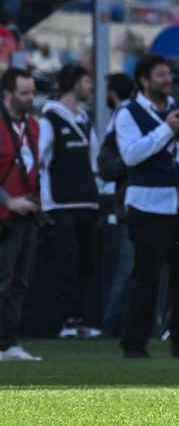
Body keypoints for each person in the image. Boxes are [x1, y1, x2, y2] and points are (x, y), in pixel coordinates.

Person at [115, 53, 179, 359]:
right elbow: (131, 155)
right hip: (148, 205)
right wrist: (167, 129)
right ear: (144, 81)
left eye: (168, 74)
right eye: (160, 75)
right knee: (147, 276)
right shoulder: (128, 112)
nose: (167, 79)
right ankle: (135, 343)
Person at [38, 64, 102, 340]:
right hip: (60, 203)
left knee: (86, 263)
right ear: (73, 83)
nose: (90, 87)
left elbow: (94, 160)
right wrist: (42, 199)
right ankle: (67, 321)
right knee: (67, 261)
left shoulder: (85, 120)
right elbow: (38, 160)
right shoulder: (48, 120)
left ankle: (81, 319)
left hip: (86, 201)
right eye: (87, 81)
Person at [0, 68, 41, 362]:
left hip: (27, 213)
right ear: (8, 94)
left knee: (19, 281)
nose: (30, 98)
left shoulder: (34, 126)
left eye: (32, 92)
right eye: (24, 93)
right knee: (4, 279)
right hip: (5, 214)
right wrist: (9, 201)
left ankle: (9, 342)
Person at [101, 72, 135, 337]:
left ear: (112, 92)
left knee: (129, 267)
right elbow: (109, 163)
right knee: (129, 267)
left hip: (128, 201)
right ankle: (115, 322)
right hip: (132, 201)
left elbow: (106, 160)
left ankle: (116, 322)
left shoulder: (121, 117)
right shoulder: (127, 116)